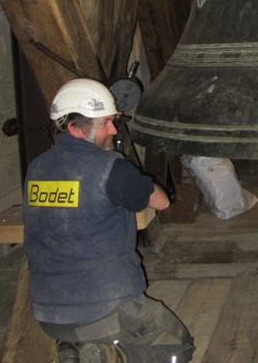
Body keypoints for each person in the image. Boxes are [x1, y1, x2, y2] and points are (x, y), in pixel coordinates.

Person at [22, 78, 195, 363]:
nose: (113, 130)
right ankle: (107, 353)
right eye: (105, 123)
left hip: (47, 312)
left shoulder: (36, 167)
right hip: (104, 305)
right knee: (176, 347)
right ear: (76, 128)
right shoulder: (108, 167)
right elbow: (162, 202)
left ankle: (76, 350)